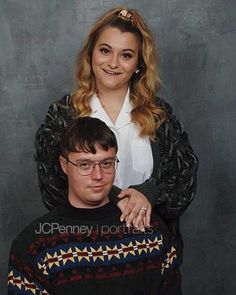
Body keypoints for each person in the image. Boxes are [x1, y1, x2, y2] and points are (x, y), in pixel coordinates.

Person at [34, 7, 198, 262]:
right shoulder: (63, 115)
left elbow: (184, 179)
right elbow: (52, 189)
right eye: (105, 50)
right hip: (84, 253)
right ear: (90, 54)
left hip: (150, 252)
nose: (112, 63)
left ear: (138, 65)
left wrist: (148, 193)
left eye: (126, 55)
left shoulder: (158, 114)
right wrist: (114, 199)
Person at [8, 117, 181, 295]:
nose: (98, 175)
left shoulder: (151, 231)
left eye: (106, 163)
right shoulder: (34, 245)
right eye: (85, 165)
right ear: (64, 165)